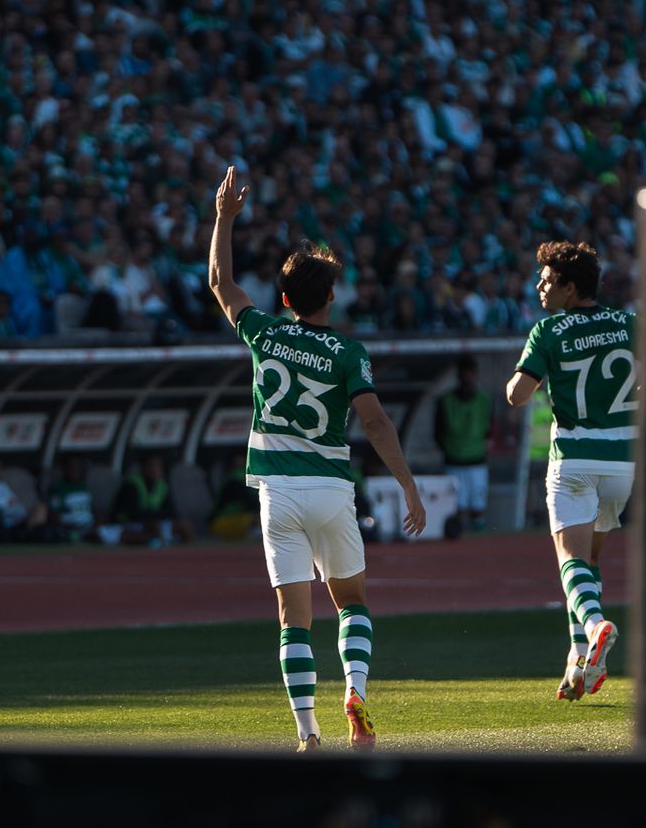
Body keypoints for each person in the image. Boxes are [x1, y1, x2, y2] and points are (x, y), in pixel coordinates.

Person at [206, 166, 425, 753]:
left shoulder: (264, 334)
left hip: (277, 495)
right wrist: (407, 484)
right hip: (331, 489)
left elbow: (220, 284)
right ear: (331, 296)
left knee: (292, 619)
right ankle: (354, 689)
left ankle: (307, 734)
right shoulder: (349, 351)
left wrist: (224, 217)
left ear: (283, 300)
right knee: (351, 601)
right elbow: (375, 421)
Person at [506, 241, 631, 704]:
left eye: (547, 279)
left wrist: (519, 378)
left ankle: (597, 627)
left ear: (570, 287)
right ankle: (579, 663)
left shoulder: (549, 330)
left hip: (575, 460)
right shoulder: (629, 324)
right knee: (589, 564)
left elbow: (518, 395)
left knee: (570, 562)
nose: (539, 286)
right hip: (622, 463)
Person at [435, 356, 493, 533]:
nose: (468, 378)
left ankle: (479, 535)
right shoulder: (445, 401)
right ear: (458, 376)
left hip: (477, 461)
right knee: (456, 506)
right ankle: (458, 536)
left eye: (471, 373)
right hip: (453, 461)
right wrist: (448, 448)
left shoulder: (484, 400)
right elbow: (437, 431)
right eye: (464, 374)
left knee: (477, 505)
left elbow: (490, 427)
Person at [108, 454, 176, 547]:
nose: (156, 469)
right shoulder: (132, 484)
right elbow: (133, 513)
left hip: (155, 522)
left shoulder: (162, 485)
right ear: (144, 468)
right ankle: (161, 546)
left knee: (184, 525)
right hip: (130, 524)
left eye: (159, 466)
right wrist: (154, 516)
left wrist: (155, 515)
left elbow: (171, 511)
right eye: (152, 466)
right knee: (152, 526)